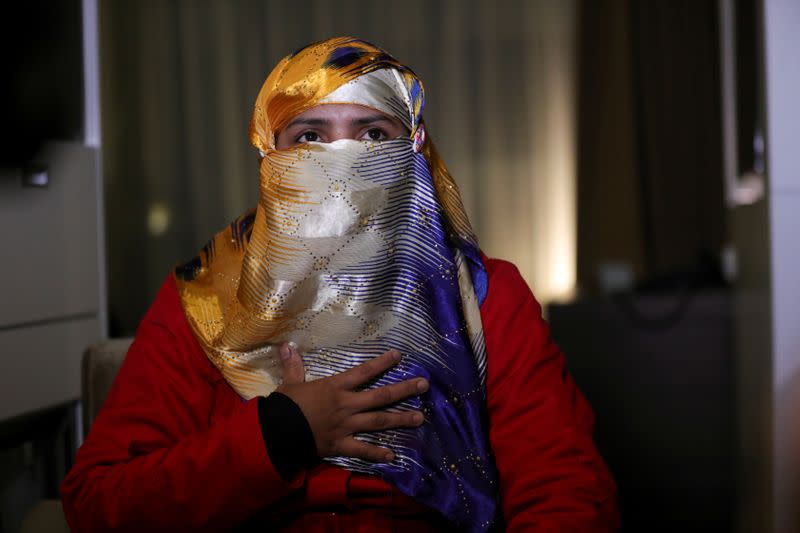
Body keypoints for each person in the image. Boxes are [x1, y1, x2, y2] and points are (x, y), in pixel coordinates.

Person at [61, 36, 619, 532]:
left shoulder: (485, 297)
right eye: (311, 136)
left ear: (413, 152)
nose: (342, 158)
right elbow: (99, 504)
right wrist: (282, 433)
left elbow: (566, 496)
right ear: (271, 156)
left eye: (372, 133)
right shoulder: (204, 302)